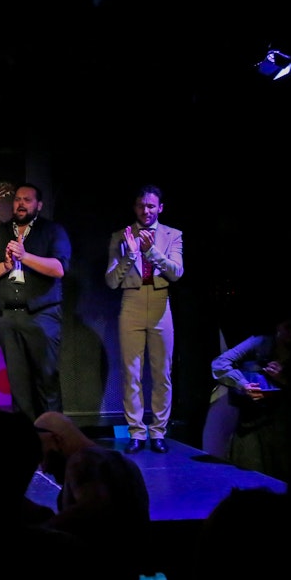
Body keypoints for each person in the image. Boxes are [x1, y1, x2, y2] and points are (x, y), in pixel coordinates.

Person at [33, 411, 154, 580]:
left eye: (43, 456)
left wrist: (37, 535)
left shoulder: (85, 460)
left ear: (57, 440)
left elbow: (92, 512)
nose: (44, 468)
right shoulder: (121, 463)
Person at [0, 183, 71, 421]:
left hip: (42, 316)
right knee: (18, 385)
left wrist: (25, 256)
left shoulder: (52, 231)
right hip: (8, 317)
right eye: (18, 199)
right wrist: (6, 265)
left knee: (46, 380)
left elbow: (58, 268)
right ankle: (25, 436)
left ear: (38, 205)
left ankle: (52, 433)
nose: (21, 204)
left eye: (27, 200)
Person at [105, 185, 184, 454]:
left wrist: (151, 252)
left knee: (162, 372)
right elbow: (111, 281)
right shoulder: (121, 236)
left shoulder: (173, 235)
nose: (146, 210)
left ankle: (158, 431)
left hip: (161, 303)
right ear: (135, 207)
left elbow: (176, 273)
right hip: (131, 302)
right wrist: (131, 255)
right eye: (141, 205)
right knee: (131, 373)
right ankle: (137, 432)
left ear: (160, 208)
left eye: (151, 206)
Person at [203, 316, 291, 480]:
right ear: (278, 327)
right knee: (252, 467)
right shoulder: (261, 342)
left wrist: (283, 379)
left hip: (286, 420)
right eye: (289, 327)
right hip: (254, 420)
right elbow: (220, 363)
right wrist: (243, 383)